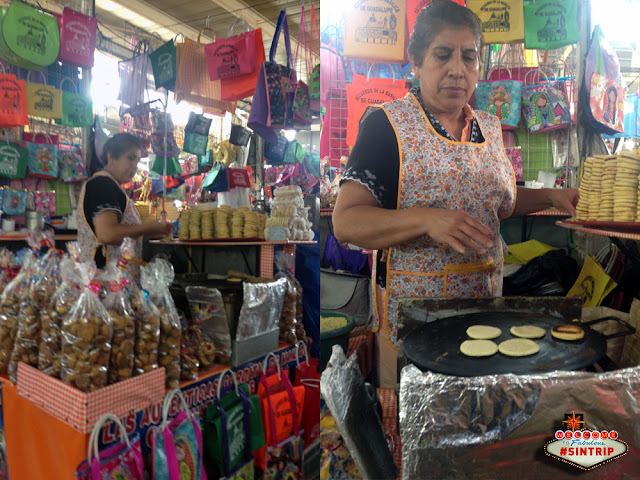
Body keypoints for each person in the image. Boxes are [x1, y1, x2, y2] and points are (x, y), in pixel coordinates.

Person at [332, 0, 579, 387]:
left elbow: (499, 202)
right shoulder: (386, 125)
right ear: (416, 60)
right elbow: (346, 222)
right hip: (413, 320)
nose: (457, 70)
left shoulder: (490, 128)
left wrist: (552, 198)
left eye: (469, 57)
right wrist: (427, 219)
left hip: (483, 311)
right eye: (442, 55)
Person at [78, 133, 174, 269]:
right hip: (104, 280)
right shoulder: (102, 184)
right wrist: (148, 227)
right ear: (111, 157)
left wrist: (151, 232)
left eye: (138, 160)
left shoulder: (111, 186)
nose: (135, 166)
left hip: (116, 281)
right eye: (130, 158)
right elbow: (107, 234)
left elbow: (122, 238)